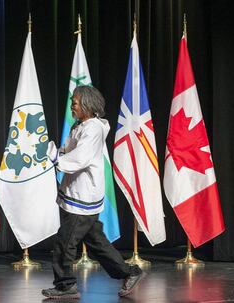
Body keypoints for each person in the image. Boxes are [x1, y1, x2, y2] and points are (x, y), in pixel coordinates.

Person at [42, 85, 145, 300]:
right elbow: (72, 150)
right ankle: (129, 273)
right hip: (79, 193)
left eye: (76, 103)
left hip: (83, 196)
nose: (72, 106)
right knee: (97, 243)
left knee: (64, 242)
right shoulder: (82, 126)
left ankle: (65, 286)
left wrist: (56, 159)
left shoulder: (93, 128)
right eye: (72, 102)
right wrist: (58, 151)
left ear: (88, 105)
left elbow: (80, 159)